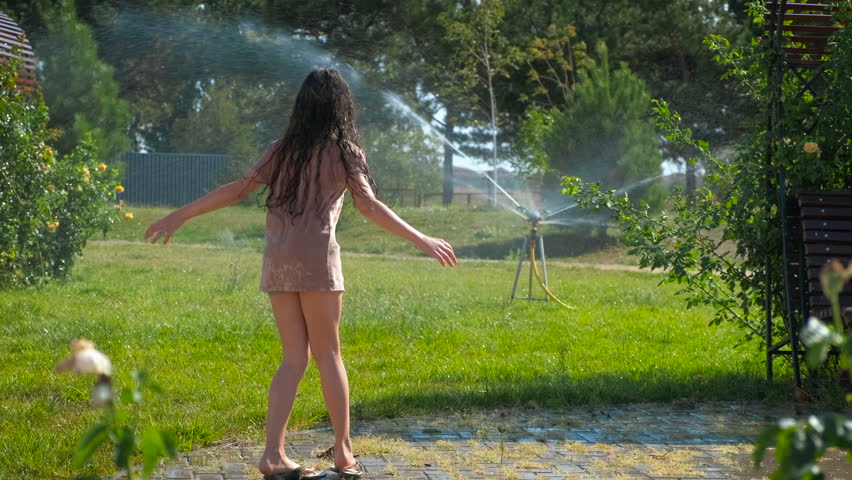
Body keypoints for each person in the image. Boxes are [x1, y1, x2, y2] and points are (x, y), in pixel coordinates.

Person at [145, 68, 456, 480]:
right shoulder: (345, 151)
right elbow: (368, 206)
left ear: (302, 105)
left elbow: (238, 189)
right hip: (317, 262)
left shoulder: (280, 150)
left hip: (278, 261)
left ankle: (273, 454)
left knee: (294, 358)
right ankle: (344, 454)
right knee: (328, 355)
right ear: (340, 107)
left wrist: (179, 215)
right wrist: (422, 239)